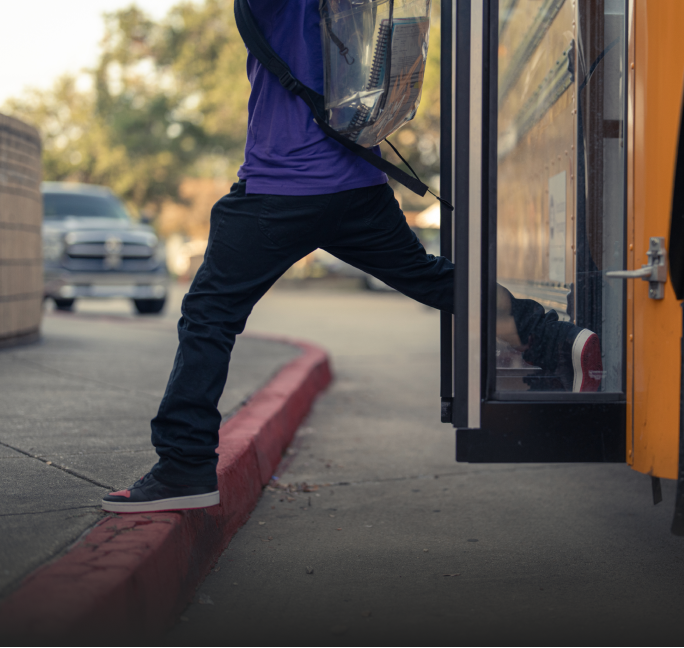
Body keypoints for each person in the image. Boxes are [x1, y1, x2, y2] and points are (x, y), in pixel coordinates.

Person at [101, 0, 602, 514]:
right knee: (430, 278)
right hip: (357, 185)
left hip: (284, 186)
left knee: (209, 315)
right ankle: (556, 340)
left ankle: (184, 466)